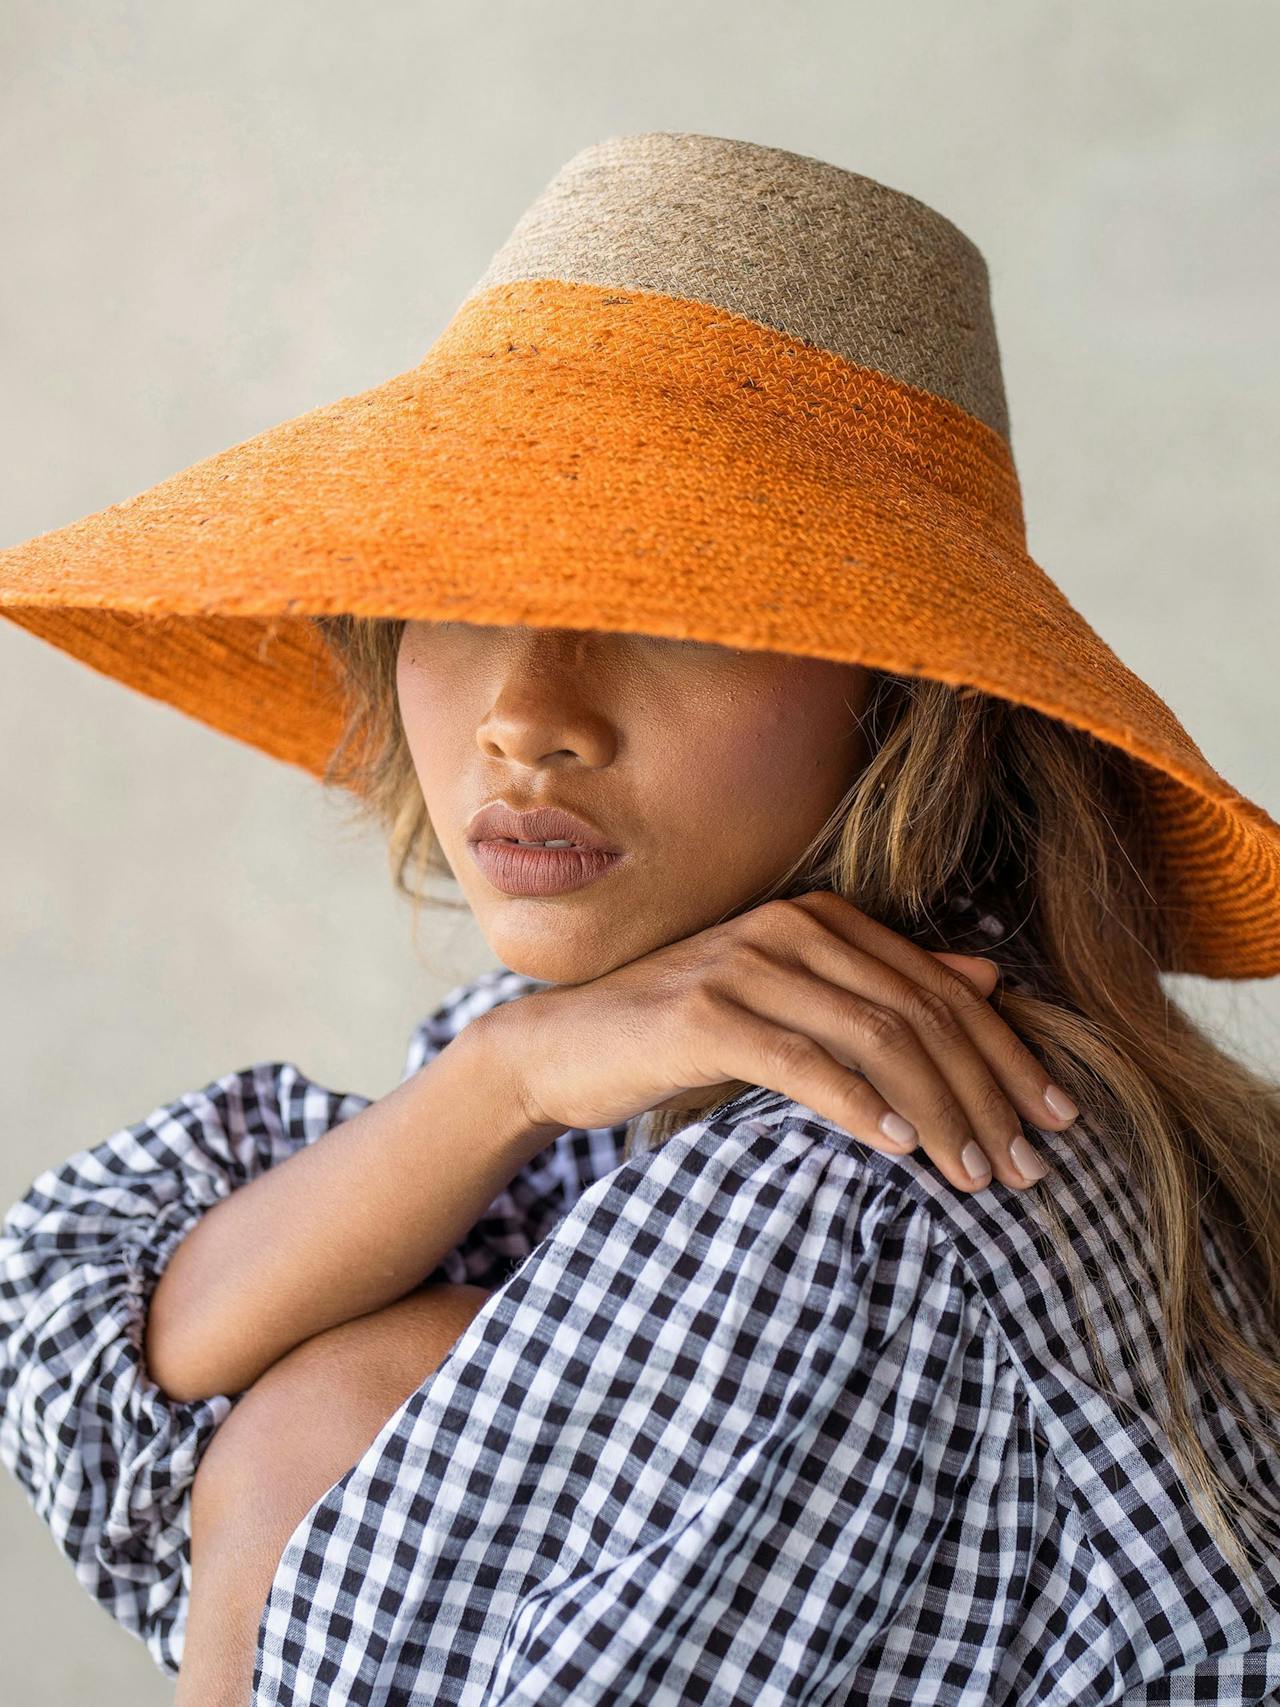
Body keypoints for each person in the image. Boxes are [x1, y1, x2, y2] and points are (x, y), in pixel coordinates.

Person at [1, 131, 1278, 1706]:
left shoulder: (853, 1182)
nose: (526, 719)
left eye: (672, 611)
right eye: (462, 598)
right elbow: (105, 1336)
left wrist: (312, 1433)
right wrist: (506, 1078)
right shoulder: (639, 1050)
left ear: (905, 702)